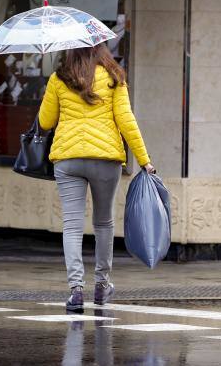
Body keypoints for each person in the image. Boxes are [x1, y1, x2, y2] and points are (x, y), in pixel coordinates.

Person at [38, 44, 154, 313]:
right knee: (103, 223)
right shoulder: (114, 78)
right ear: (100, 49)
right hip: (105, 160)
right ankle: (102, 285)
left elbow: (45, 122)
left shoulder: (58, 78)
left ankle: (76, 290)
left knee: (72, 225)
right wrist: (145, 160)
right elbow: (127, 121)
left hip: (68, 160)